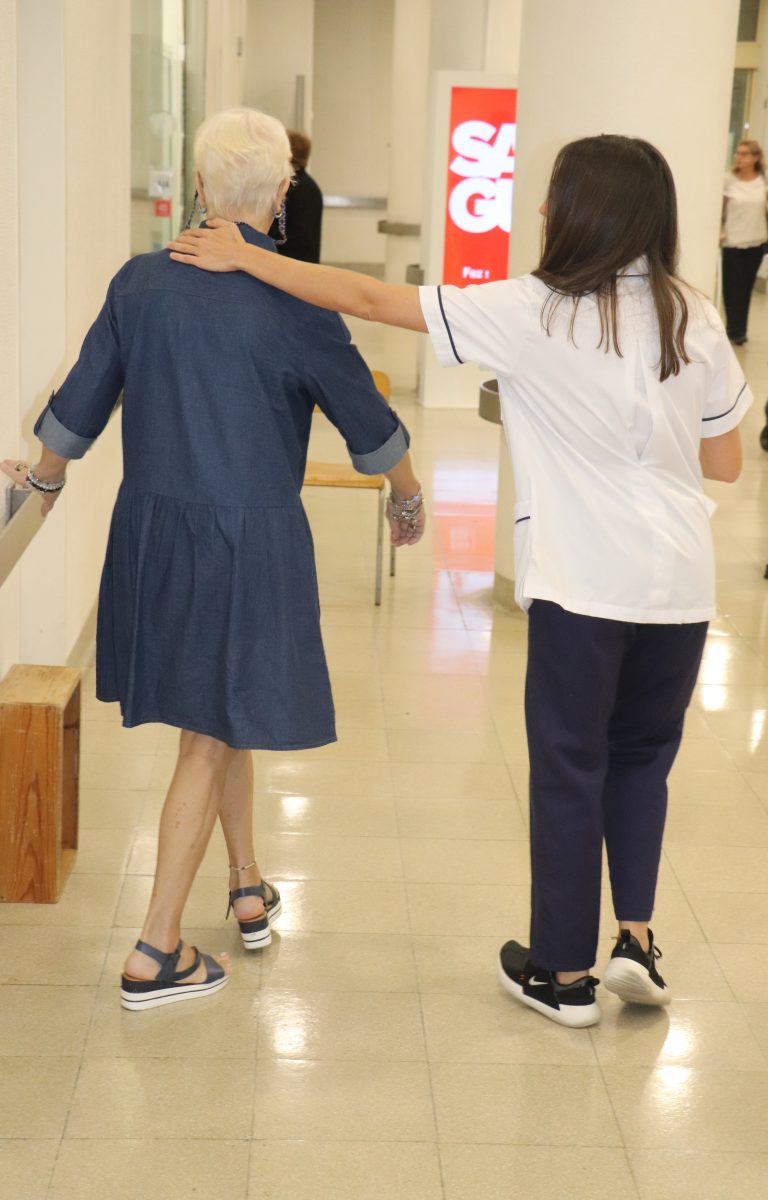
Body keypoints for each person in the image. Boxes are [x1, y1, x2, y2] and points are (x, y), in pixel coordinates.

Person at [169, 133, 750, 1028]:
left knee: (569, 766)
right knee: (643, 761)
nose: (543, 209)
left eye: (554, 195)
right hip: (679, 583)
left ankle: (563, 975)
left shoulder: (533, 310)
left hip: (585, 581)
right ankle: (635, 939)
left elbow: (371, 298)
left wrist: (251, 258)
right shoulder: (693, 314)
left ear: (584, 210)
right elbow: (726, 461)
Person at [1, 107, 424, 1012]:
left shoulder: (140, 283)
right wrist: (409, 496)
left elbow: (80, 405)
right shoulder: (298, 300)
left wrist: (41, 479)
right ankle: (155, 949)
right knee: (209, 730)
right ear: (281, 194)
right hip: (249, 542)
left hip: (154, 533)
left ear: (198, 187)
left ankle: (246, 883)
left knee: (221, 715)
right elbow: (370, 425)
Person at [721, 138, 768, 344]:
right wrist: (720, 231)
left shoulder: (763, 179)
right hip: (732, 242)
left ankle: (740, 330)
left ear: (755, 157)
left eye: (744, 154)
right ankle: (733, 329)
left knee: (746, 288)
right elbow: (720, 210)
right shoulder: (729, 179)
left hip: (756, 241)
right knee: (732, 288)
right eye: (738, 153)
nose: (739, 157)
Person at [268, 129, 323, 263]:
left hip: (290, 264)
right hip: (304, 263)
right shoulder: (309, 185)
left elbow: (290, 235)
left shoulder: (292, 186)